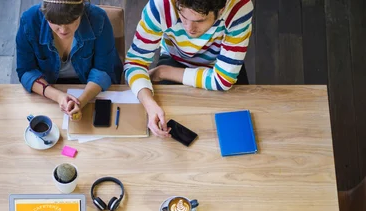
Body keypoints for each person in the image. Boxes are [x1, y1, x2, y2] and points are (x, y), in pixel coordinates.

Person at [125, 0, 254, 137]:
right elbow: (134, 62)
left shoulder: (239, 8)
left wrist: (163, 72)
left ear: (221, 10)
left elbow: (223, 80)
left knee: (240, 130)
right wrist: (149, 104)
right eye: (183, 17)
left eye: (199, 21)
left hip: (218, 63)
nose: (189, 28)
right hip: (175, 59)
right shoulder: (161, 5)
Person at [16, 0, 123, 119]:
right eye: (54, 22)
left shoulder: (98, 19)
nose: (62, 30)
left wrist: (80, 101)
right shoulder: (29, 21)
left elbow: (103, 70)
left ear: (81, 12)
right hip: (49, 88)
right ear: (44, 13)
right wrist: (58, 96)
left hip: (90, 86)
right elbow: (26, 71)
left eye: (71, 22)